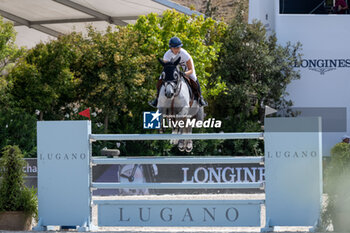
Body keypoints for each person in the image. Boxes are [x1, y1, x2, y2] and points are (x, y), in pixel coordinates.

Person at [149, 37, 208, 108]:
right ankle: (157, 98)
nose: (177, 49)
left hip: (186, 68)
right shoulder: (167, 55)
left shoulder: (185, 54)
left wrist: (184, 74)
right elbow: (167, 69)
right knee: (161, 78)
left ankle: (200, 97)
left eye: (178, 47)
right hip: (174, 68)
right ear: (171, 48)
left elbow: (191, 70)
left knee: (194, 77)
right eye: (175, 48)